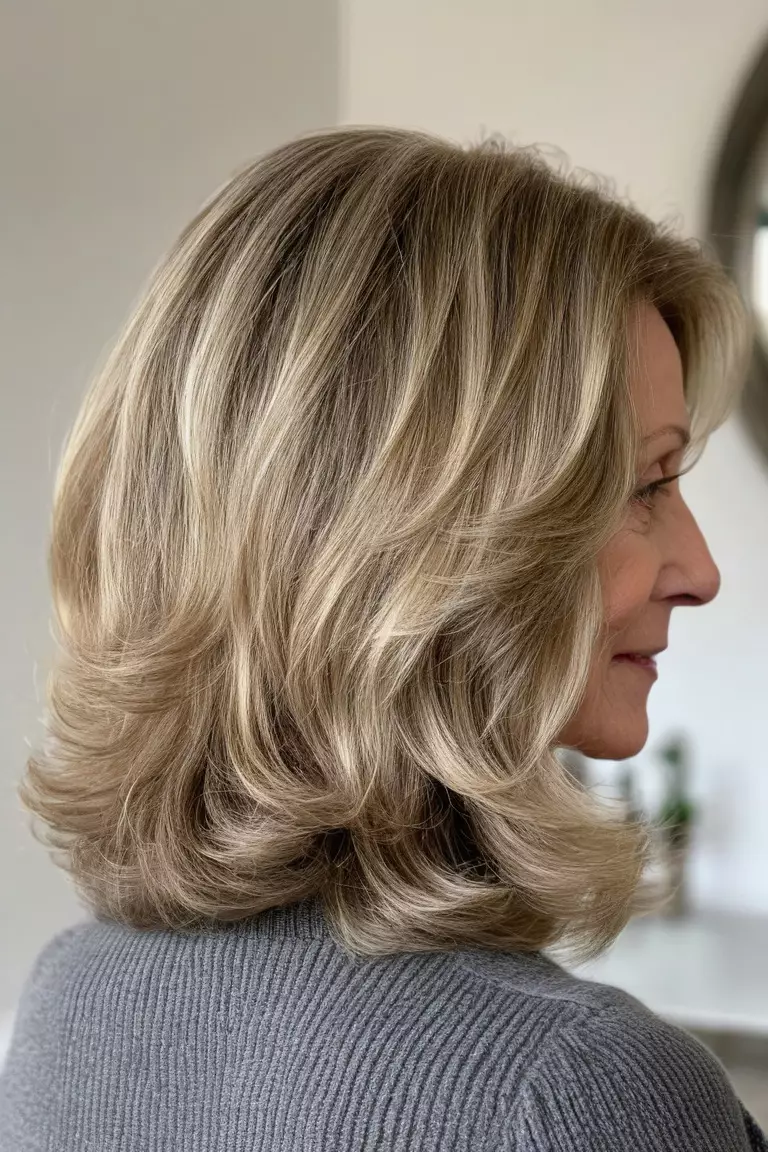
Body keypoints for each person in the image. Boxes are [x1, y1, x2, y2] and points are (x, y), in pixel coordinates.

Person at [0, 126, 764, 1151]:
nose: (701, 570)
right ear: (432, 536)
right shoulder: (577, 1094)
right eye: (644, 485)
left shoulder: (73, 999)